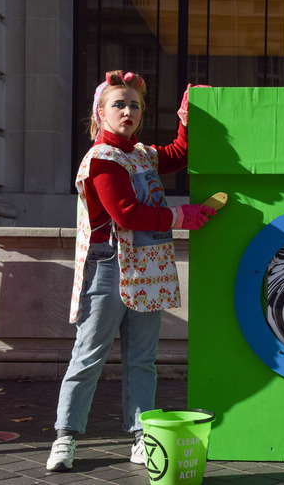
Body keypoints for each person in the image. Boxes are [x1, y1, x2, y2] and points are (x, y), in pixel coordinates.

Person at [46, 71, 216, 472]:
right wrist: (180, 215)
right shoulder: (101, 159)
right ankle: (65, 438)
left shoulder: (139, 153)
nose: (128, 111)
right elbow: (126, 212)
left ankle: (142, 437)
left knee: (143, 360)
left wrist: (187, 120)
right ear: (99, 114)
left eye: (135, 105)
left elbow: (177, 154)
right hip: (109, 268)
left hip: (148, 268)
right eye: (118, 104)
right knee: (88, 357)